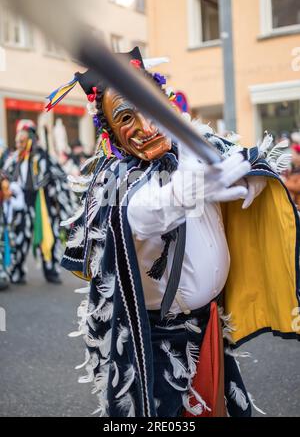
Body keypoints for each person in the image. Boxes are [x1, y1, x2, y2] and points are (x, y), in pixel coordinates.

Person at [47, 47, 300, 417]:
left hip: (211, 323)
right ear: (112, 134)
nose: (146, 127)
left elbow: (248, 159)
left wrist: (249, 180)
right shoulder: (115, 183)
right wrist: (183, 192)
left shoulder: (197, 147)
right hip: (159, 339)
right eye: (126, 117)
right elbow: (141, 215)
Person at [4, 119, 75, 285]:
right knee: (19, 238)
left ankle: (51, 271)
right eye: (18, 140)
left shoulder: (44, 157)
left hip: (43, 204)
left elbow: (61, 177)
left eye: (23, 139)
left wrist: (54, 192)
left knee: (48, 238)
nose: (20, 143)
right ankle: (17, 271)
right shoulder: (15, 159)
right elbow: (6, 176)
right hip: (22, 205)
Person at [0, 171, 24, 290]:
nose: (8, 192)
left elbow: (20, 204)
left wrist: (17, 190)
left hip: (7, 232)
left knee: (9, 255)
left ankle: (5, 276)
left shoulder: (10, 202)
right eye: (5, 189)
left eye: (8, 188)